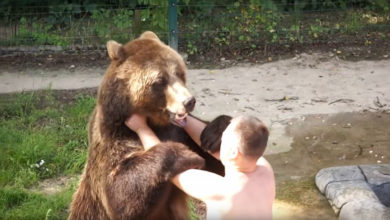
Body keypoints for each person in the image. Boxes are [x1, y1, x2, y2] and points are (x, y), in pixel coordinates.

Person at [125, 114, 275, 219]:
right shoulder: (264, 168)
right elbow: (217, 148)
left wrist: (141, 128)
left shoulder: (220, 190)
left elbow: (166, 163)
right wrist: (183, 118)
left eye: (225, 135)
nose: (220, 138)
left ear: (234, 151)